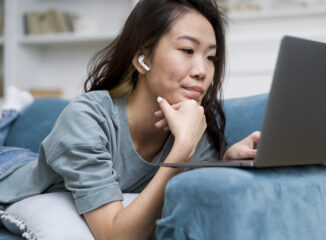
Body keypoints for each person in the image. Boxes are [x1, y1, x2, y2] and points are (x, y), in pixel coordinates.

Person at [0, 0, 261, 239]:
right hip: (10, 169)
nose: (202, 71)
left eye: (211, 57)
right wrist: (182, 150)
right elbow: (115, 235)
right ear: (142, 59)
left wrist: (228, 163)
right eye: (187, 49)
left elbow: (195, 191)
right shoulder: (86, 117)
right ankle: (10, 111)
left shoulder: (193, 127)